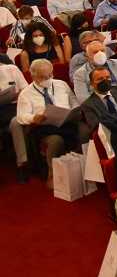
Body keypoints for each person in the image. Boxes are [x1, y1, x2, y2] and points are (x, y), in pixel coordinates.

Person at [16, 59, 85, 188]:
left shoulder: (61, 84)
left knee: (85, 132)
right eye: (43, 77)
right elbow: (21, 116)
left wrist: (75, 111)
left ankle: (86, 167)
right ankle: (53, 173)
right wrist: (33, 118)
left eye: (50, 75)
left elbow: (74, 101)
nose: (48, 79)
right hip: (45, 127)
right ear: (34, 77)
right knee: (56, 141)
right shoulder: (26, 94)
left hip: (67, 121)